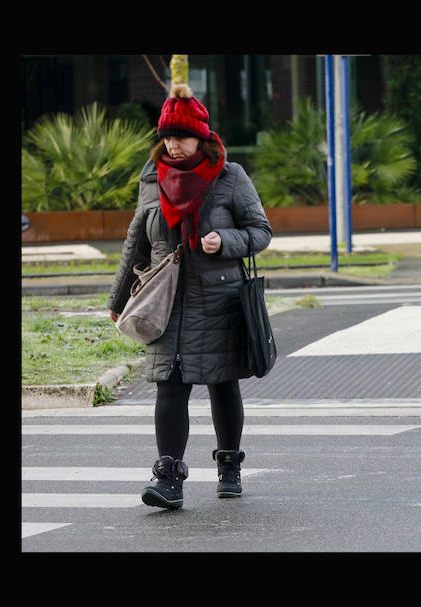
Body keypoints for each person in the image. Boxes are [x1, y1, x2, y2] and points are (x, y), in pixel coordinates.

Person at [108, 84, 272, 509]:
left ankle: (229, 466)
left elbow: (260, 231)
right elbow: (135, 242)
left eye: (181, 136)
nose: (173, 145)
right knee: (169, 386)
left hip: (220, 299)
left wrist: (227, 239)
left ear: (201, 136)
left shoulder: (230, 176)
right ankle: (169, 479)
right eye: (167, 136)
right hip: (167, 300)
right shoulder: (152, 179)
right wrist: (119, 298)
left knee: (222, 383)